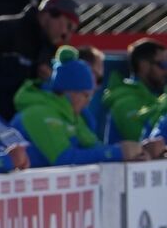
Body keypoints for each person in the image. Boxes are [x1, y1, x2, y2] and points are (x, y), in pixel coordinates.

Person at [0, 0, 80, 122]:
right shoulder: (4, 31)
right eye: (68, 26)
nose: (67, 36)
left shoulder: (49, 51)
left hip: (17, 126)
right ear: (50, 14)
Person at [12, 52, 145, 167]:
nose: (88, 101)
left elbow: (92, 146)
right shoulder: (38, 114)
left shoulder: (72, 115)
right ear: (69, 92)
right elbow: (63, 159)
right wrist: (117, 152)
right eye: (86, 95)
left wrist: (130, 152)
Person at [102, 39, 166, 143]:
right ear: (143, 65)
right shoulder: (123, 102)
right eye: (163, 64)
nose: (166, 70)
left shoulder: (157, 96)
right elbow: (145, 142)